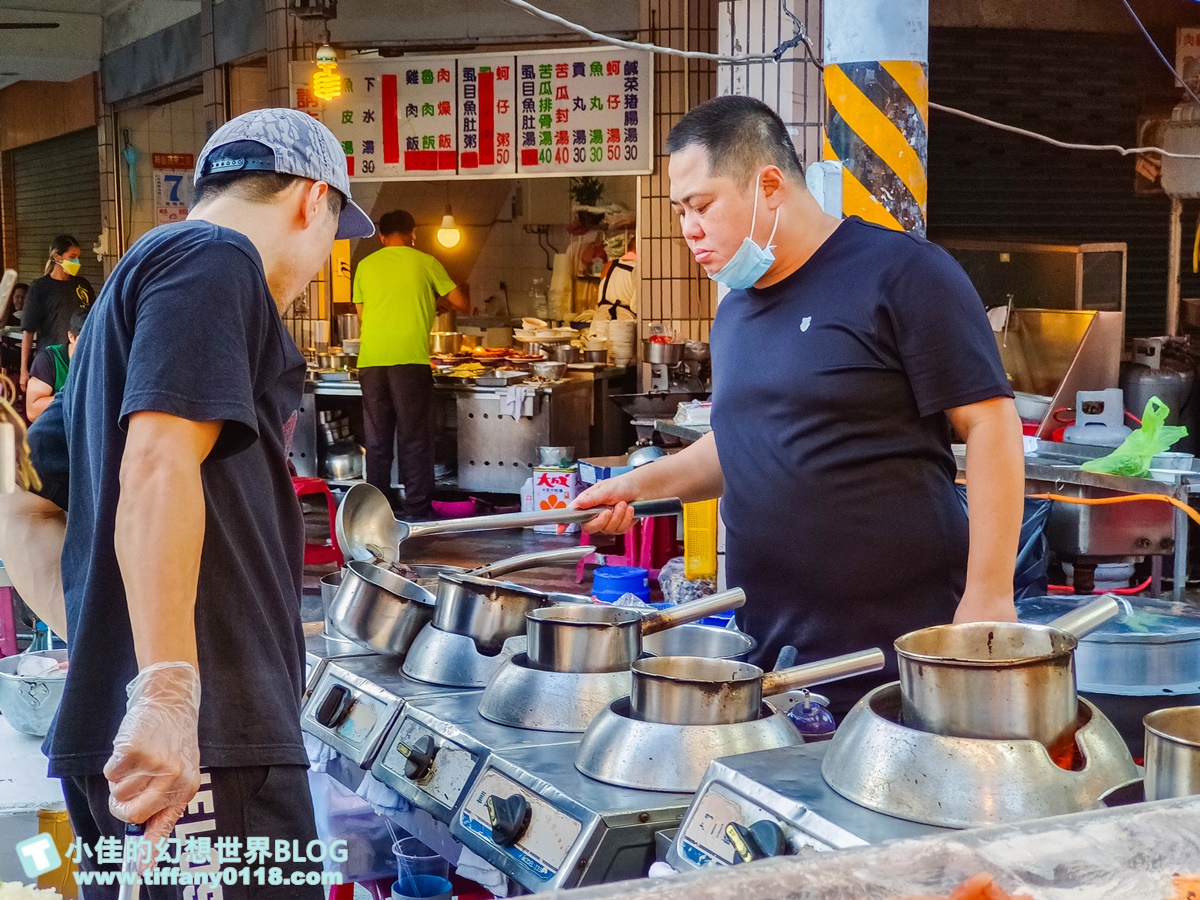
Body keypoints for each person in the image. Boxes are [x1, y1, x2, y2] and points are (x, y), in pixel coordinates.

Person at [0, 108, 374, 897]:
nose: (317, 267)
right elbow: (159, 461)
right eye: (332, 233)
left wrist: (117, 647)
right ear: (313, 201)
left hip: (150, 739)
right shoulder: (215, 258)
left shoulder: (124, 300)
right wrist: (167, 689)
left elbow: (31, 490)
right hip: (204, 747)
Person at [572, 96, 1025, 715]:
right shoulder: (735, 308)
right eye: (681, 212)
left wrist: (990, 596)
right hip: (770, 649)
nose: (689, 230)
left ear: (768, 185)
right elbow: (742, 444)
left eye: (702, 206)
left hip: (897, 648)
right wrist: (633, 486)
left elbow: (991, 423)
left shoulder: (903, 275)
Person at [353, 209, 467, 520]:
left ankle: (376, 510)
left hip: (372, 363)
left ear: (382, 237)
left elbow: (363, 316)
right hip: (410, 362)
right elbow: (460, 302)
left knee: (376, 440)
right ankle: (417, 507)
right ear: (413, 234)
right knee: (414, 437)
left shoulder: (364, 265)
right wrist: (432, 303)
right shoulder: (426, 262)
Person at [21, 235, 95, 391]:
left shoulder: (82, 284)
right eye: (72, 257)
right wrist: (23, 370)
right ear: (57, 257)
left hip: (80, 358)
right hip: (51, 361)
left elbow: (94, 318)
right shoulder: (40, 287)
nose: (77, 262)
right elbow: (28, 331)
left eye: (78, 258)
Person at [26, 307, 87, 421]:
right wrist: (78, 396)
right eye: (85, 340)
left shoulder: (104, 361)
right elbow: (32, 411)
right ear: (71, 337)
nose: (91, 347)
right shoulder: (49, 359)